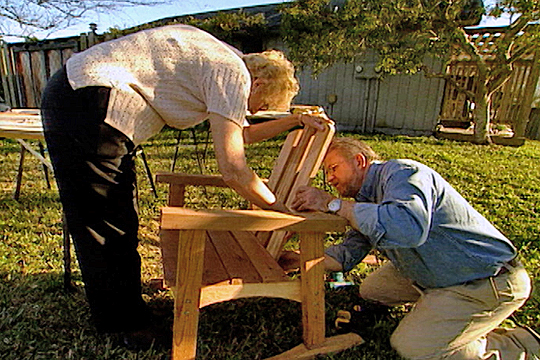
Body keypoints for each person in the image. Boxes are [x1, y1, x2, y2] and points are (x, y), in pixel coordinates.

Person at [40, 24, 330, 349]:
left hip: (78, 93)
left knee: (109, 215)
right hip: (88, 101)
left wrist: (293, 120)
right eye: (258, 106)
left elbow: (242, 134)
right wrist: (280, 210)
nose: (250, 112)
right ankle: (128, 325)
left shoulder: (222, 61)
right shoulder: (231, 72)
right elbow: (234, 169)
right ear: (258, 83)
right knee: (108, 219)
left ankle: (120, 313)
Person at [291, 137, 540, 360]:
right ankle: (441, 313)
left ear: (359, 160)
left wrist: (333, 204)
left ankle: (517, 343)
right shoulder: (364, 199)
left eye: (333, 168)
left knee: (412, 348)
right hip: (439, 274)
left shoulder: (403, 173)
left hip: (486, 281)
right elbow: (348, 253)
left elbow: (407, 228)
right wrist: (295, 259)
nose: (330, 178)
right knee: (372, 289)